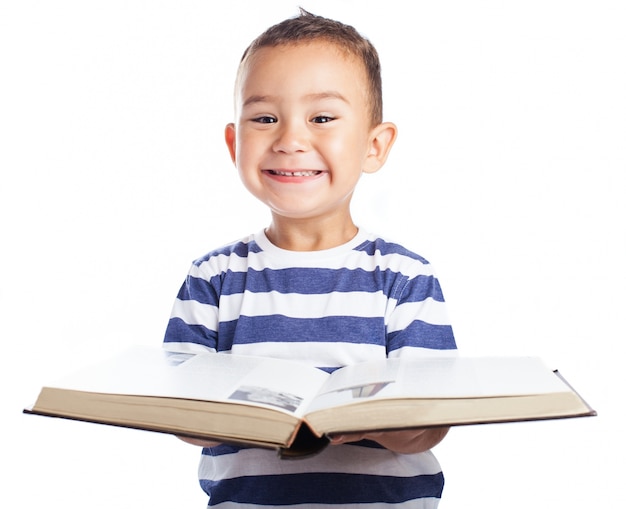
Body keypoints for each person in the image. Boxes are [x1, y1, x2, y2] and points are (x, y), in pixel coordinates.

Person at [163, 8, 457, 508]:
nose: (290, 140)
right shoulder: (211, 278)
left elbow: (429, 427)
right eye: (264, 118)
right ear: (235, 142)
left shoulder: (404, 277)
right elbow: (185, 422)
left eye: (321, 118)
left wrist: (366, 422)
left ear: (374, 145)